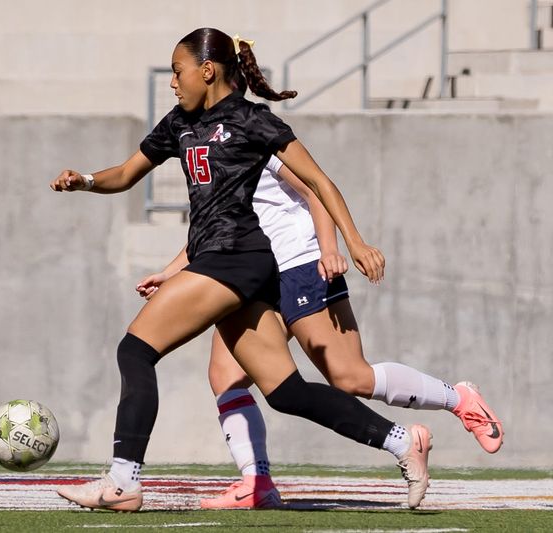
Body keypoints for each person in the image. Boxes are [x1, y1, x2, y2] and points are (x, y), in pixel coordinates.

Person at [50, 27, 432, 511]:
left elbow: (319, 181)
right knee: (286, 392)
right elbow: (125, 175)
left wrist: (353, 241)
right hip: (227, 262)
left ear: (206, 70)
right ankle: (402, 441)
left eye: (177, 70)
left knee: (135, 350)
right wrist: (83, 180)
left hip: (237, 259)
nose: (173, 81)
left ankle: (123, 483)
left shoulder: (253, 120)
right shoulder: (179, 123)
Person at [137, 156, 504, 509]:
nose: (173, 87)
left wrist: (332, 249)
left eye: (179, 85)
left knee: (351, 377)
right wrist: (170, 272)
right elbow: (216, 230)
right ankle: (257, 484)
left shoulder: (251, 131)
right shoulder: (203, 148)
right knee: (226, 376)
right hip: (254, 274)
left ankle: (458, 399)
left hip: (300, 264)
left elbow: (316, 188)